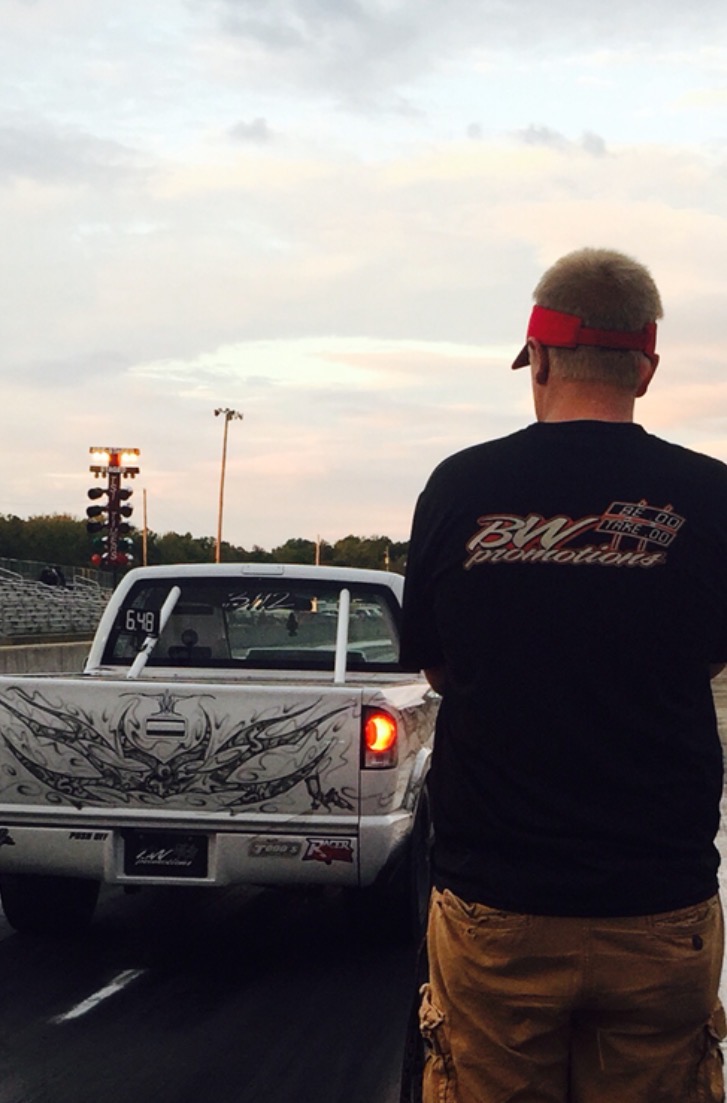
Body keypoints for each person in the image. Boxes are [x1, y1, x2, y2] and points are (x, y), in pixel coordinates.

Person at [400, 247, 727, 1103]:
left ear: (538, 357)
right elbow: (711, 656)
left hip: (496, 903)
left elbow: (437, 664)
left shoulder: (459, 486)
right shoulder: (712, 497)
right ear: (645, 368)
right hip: (658, 903)